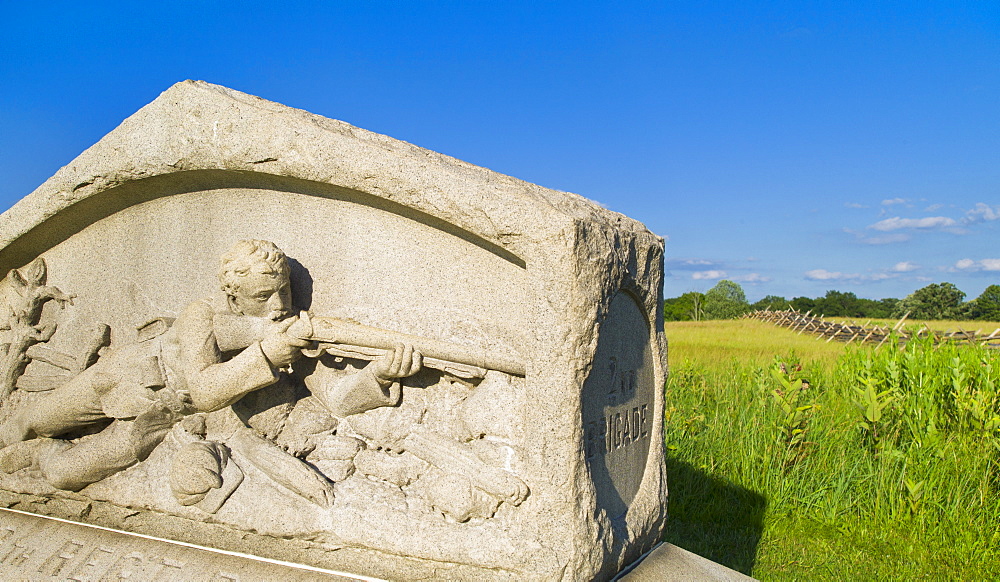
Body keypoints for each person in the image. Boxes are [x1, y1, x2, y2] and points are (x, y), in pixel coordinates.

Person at [0, 240, 421, 495]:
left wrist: (378, 375)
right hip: (119, 380)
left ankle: (35, 457)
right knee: (28, 421)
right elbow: (204, 389)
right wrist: (267, 355)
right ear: (234, 295)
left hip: (154, 420)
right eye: (262, 298)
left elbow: (338, 399)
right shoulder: (201, 315)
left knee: (61, 474)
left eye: (282, 293)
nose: (277, 308)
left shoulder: (290, 340)